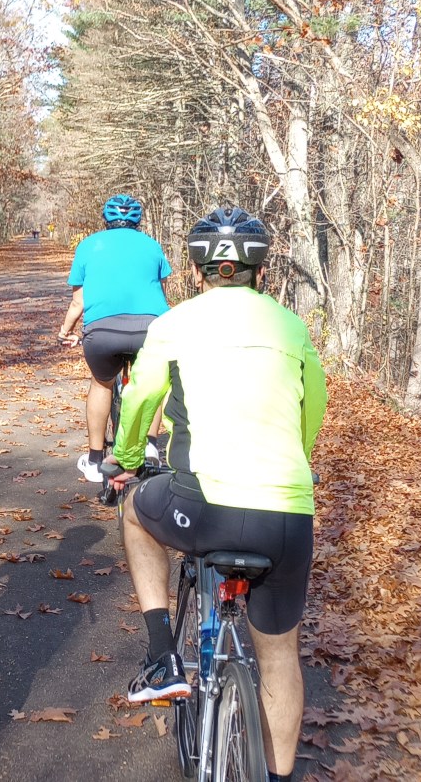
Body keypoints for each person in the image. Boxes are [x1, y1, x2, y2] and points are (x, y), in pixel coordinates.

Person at [103, 207, 327, 782]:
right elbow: (313, 409)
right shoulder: (290, 327)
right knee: (280, 658)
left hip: (204, 506)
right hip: (286, 513)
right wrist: (296, 460)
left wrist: (126, 462)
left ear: (198, 266)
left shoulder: (175, 323)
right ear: (259, 268)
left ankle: (160, 656)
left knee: (134, 511)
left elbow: (139, 401)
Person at [57, 194, 171, 499]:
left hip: (103, 332)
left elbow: (78, 301)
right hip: (150, 328)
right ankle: (148, 446)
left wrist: (65, 331)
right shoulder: (151, 245)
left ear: (105, 221)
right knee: (151, 383)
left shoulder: (88, 245)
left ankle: (95, 460)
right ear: (137, 222)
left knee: (102, 384)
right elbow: (159, 290)